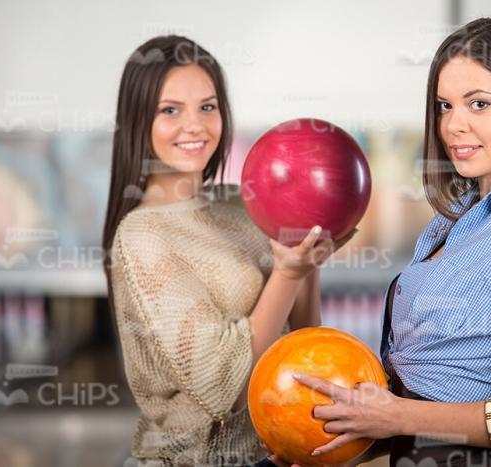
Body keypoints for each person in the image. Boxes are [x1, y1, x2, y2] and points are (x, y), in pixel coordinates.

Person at [281, 16, 491, 467]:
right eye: (445, 106)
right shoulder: (450, 224)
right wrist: (342, 434)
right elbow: (420, 406)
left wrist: (396, 416)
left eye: (479, 104)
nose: (453, 126)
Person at [102, 35, 353, 467]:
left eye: (207, 106)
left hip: (271, 454)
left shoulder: (241, 202)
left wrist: (307, 259)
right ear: (137, 119)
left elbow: (300, 345)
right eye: (169, 110)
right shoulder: (142, 234)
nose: (195, 126)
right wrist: (288, 273)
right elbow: (226, 389)